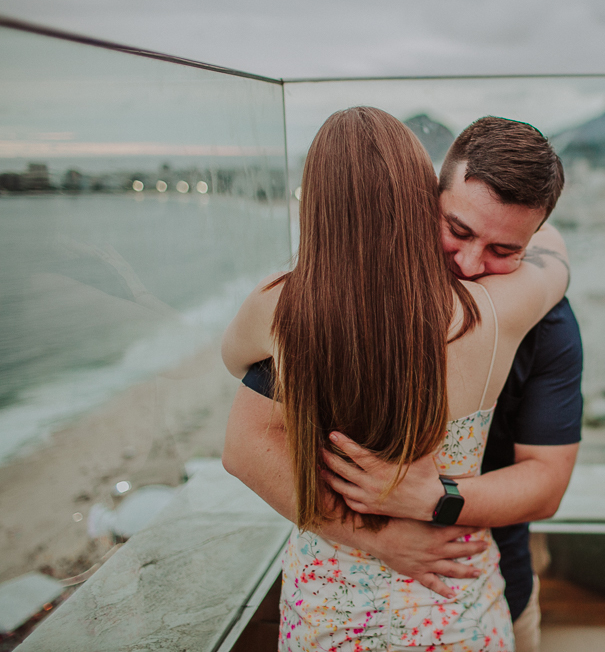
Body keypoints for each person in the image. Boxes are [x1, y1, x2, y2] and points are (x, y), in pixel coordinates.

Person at [223, 115, 583, 652]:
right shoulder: (499, 310)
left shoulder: (287, 309)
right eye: (457, 230)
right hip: (460, 598)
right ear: (424, 201)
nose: (469, 263)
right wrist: (386, 536)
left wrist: (437, 500)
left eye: (504, 249)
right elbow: (556, 263)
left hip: (459, 584)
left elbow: (548, 482)